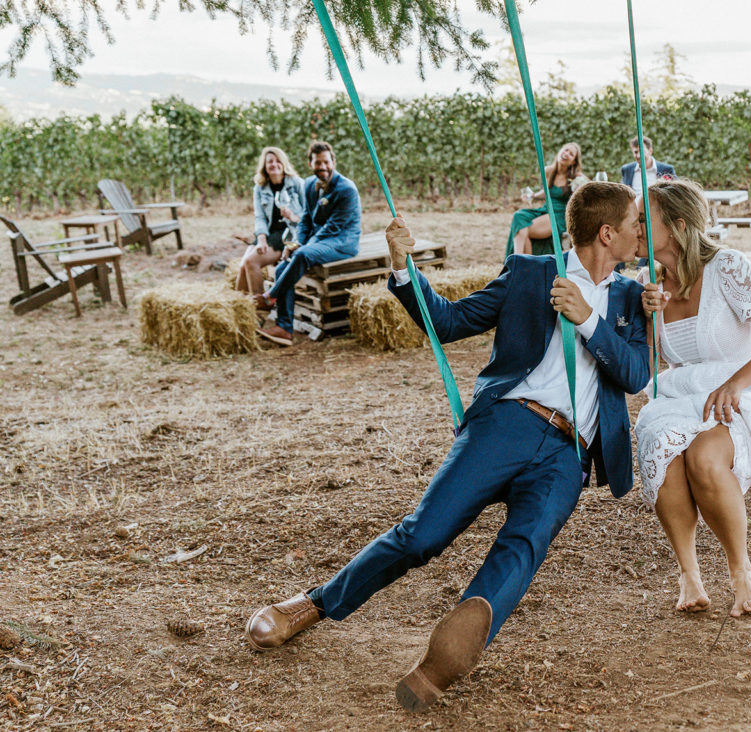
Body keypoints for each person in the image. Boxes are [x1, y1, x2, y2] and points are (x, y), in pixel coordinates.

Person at [244, 182, 650, 713]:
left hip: (567, 454)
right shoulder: (530, 274)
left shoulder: (631, 297)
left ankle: (447, 657)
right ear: (607, 232)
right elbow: (449, 321)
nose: (641, 232)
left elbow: (637, 374)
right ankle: (314, 603)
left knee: (525, 546)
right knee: (422, 536)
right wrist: (402, 268)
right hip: (507, 423)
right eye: (635, 223)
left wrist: (589, 319)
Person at [633, 179, 751, 619]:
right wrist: (647, 317)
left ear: (678, 227)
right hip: (675, 396)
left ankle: (741, 572)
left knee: (704, 458)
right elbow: (646, 366)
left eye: (642, 220)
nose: (633, 227)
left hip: (737, 393)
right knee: (664, 451)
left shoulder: (728, 267)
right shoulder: (646, 281)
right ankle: (689, 573)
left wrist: (736, 384)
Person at [253, 140, 361, 345]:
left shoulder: (346, 189)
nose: (323, 167)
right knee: (281, 268)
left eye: (326, 162)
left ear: (333, 161)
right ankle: (285, 329)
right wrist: (296, 243)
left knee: (302, 255)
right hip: (318, 241)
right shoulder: (309, 184)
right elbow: (305, 219)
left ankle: (270, 296)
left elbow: (333, 227)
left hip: (342, 241)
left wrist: (302, 248)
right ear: (310, 164)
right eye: (318, 163)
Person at [235, 147, 305, 295]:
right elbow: (259, 217)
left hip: (289, 234)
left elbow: (310, 215)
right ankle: (238, 310)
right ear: (264, 166)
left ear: (284, 163)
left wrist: (293, 217)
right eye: (270, 162)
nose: (274, 164)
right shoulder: (260, 188)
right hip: (268, 233)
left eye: (278, 160)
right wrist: (261, 239)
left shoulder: (298, 183)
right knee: (242, 266)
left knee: (251, 262)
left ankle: (260, 309)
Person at [505, 142, 583, 257]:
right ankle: (522, 262)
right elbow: (547, 193)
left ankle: (519, 262)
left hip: (558, 216)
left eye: (571, 154)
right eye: (566, 150)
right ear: (560, 151)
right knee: (518, 216)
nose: (566, 154)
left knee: (522, 229)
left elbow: (583, 197)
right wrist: (533, 195)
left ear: (573, 162)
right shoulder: (548, 171)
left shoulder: (577, 178)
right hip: (545, 210)